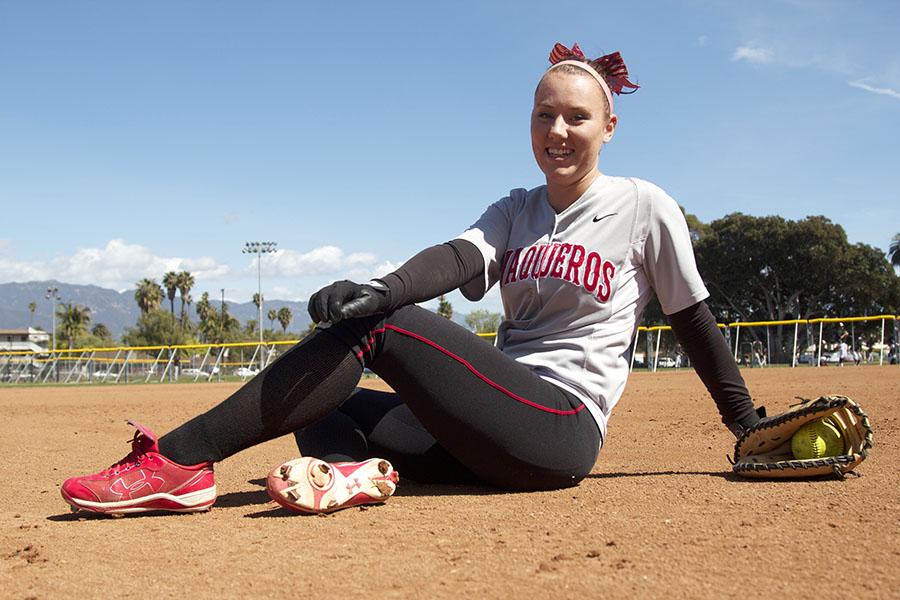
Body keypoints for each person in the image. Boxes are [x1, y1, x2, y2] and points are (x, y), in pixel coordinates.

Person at [61, 42, 761, 516]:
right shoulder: (515, 209)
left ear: (609, 126)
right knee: (321, 396)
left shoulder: (643, 205)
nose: (558, 128)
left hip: (559, 428)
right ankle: (339, 475)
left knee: (384, 328)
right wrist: (382, 286)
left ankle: (178, 463)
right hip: (486, 429)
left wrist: (747, 426)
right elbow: (458, 257)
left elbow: (693, 320)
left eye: (577, 116)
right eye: (544, 113)